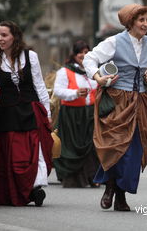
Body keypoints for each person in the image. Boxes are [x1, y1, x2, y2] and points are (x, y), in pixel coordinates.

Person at [82, 4, 147, 211]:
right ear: (130, 22)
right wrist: (98, 77)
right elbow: (90, 58)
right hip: (117, 100)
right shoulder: (115, 41)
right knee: (115, 146)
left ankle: (121, 194)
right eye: (141, 20)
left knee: (134, 150)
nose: (145, 24)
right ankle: (110, 187)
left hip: (141, 101)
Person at [0, 21, 53, 206]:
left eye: (4, 35)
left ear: (15, 36)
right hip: (6, 113)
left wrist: (48, 112)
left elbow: (39, 85)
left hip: (30, 110)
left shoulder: (31, 56)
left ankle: (34, 188)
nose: (0, 39)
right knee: (11, 154)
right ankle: (18, 191)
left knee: (33, 151)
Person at [52, 40, 99, 188]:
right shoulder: (65, 72)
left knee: (91, 146)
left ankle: (92, 177)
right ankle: (73, 178)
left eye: (86, 52)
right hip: (72, 115)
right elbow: (58, 91)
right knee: (72, 146)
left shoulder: (93, 71)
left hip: (90, 114)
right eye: (80, 52)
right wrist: (76, 93)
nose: (83, 55)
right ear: (74, 54)